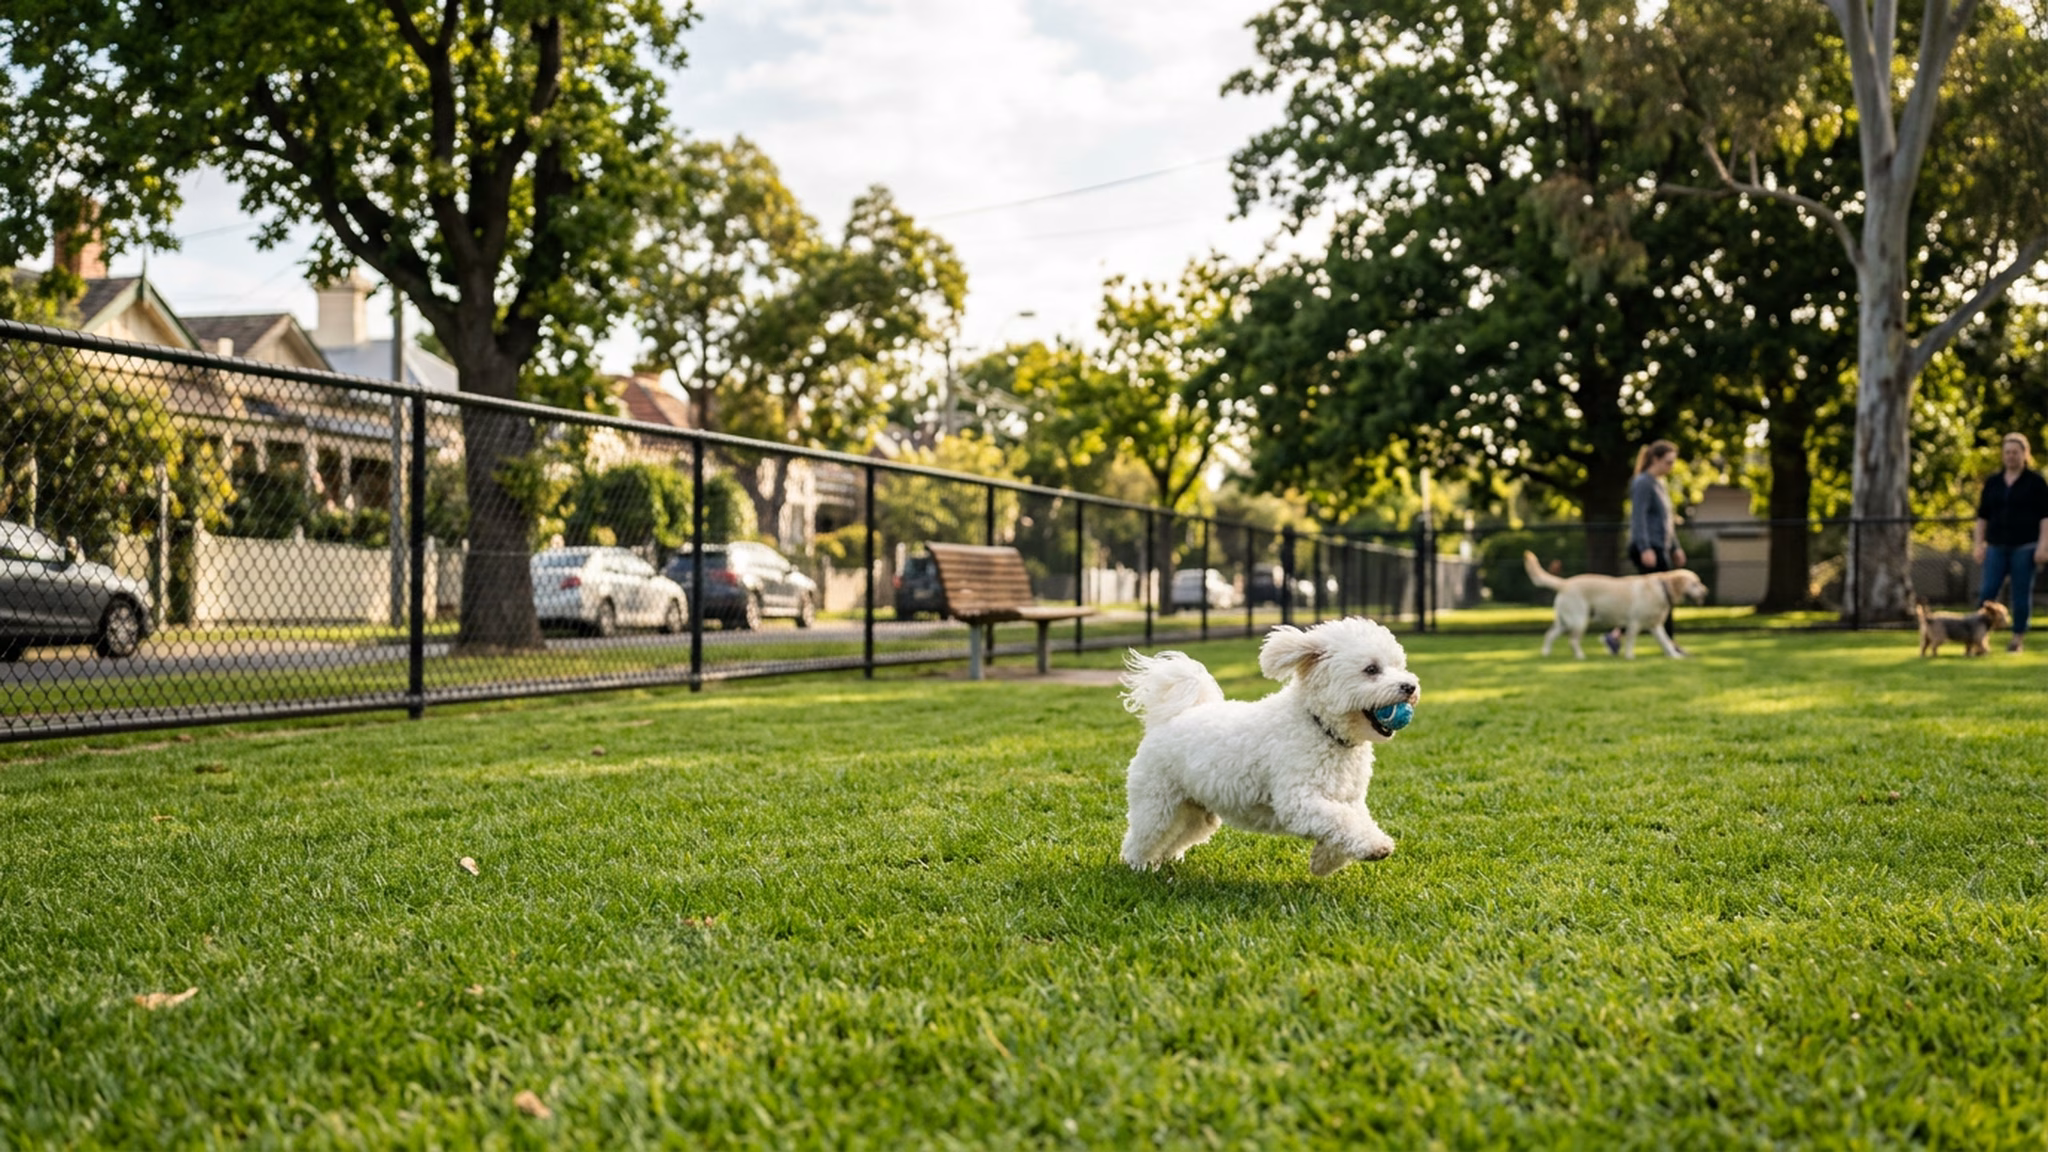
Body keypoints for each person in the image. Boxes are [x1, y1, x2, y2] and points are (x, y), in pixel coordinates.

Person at [1605, 440, 1686, 655]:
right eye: (1668, 462)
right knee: (1663, 600)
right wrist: (1644, 548)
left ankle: (1614, 636)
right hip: (1648, 549)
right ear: (1655, 459)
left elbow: (1666, 521)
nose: (1671, 467)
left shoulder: (1660, 484)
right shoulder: (1643, 482)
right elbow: (1638, 518)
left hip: (1660, 547)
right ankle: (1670, 646)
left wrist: (1675, 547)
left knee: (1650, 602)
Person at [1972, 432, 2048, 653]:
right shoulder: (1993, 483)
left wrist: (2043, 546)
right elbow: (1982, 516)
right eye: (2007, 452)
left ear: (2025, 454)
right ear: (2003, 455)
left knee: (2021, 594)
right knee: (1987, 591)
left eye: (2015, 452)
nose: (2011, 456)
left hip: (2025, 547)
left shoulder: (2035, 482)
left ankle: (2017, 638)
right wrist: (1979, 544)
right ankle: (1979, 639)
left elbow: (2045, 517)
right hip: (1996, 546)